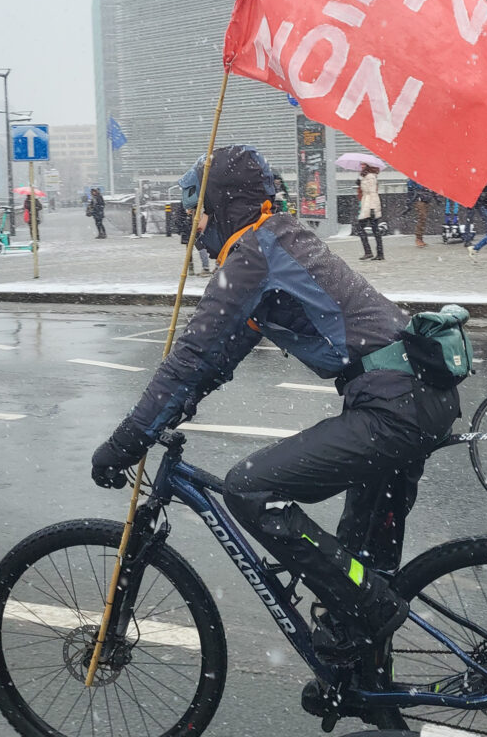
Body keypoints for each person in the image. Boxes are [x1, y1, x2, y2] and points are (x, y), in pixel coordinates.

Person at [90, 144, 460, 672]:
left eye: (198, 211)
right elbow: (214, 360)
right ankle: (363, 682)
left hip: (392, 407)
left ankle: (375, 612)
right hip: (417, 396)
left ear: (220, 203)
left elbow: (190, 358)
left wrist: (125, 442)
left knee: (249, 488)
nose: (194, 226)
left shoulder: (253, 254)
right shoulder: (277, 239)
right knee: (357, 577)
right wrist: (172, 410)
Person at [174, 197, 212, 275]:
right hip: (190, 227)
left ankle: (196, 268)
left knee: (195, 248)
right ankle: (202, 267)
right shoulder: (195, 200)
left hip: (191, 227)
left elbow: (179, 215)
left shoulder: (187, 200)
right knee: (197, 248)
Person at [356, 164, 385, 261]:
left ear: (368, 166)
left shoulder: (371, 176)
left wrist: (372, 209)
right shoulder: (364, 176)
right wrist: (359, 180)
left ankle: (373, 253)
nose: (361, 166)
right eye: (361, 164)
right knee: (373, 229)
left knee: (369, 229)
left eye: (363, 165)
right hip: (366, 204)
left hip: (370, 205)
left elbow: (373, 193)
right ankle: (376, 253)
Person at [406, 179, 434, 248]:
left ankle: (420, 238)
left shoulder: (426, 177)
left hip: (426, 199)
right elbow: (411, 188)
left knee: (423, 219)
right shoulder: (415, 178)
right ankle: (418, 238)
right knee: (422, 217)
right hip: (420, 199)